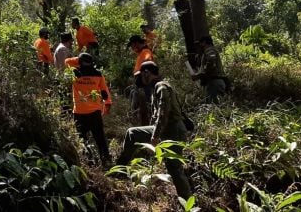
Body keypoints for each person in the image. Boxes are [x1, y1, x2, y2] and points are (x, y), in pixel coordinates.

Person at [115, 61, 192, 198]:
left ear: (147, 73)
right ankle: (120, 169)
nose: (140, 79)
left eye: (142, 74)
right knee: (132, 133)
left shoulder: (161, 87)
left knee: (174, 168)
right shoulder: (157, 87)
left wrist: (155, 136)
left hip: (172, 130)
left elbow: (163, 113)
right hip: (168, 129)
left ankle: (188, 202)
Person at [71, 53, 112, 165]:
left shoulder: (74, 72)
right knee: (100, 138)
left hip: (79, 112)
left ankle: (87, 162)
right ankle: (106, 160)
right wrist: (108, 103)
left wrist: (78, 60)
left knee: (82, 139)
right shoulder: (97, 74)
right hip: (95, 112)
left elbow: (66, 61)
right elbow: (104, 91)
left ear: (79, 61)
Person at [192, 35, 226, 104]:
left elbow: (211, 62)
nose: (199, 46)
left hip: (214, 82)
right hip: (212, 83)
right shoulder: (206, 52)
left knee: (214, 107)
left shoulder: (210, 50)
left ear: (204, 42)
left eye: (200, 43)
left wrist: (199, 75)